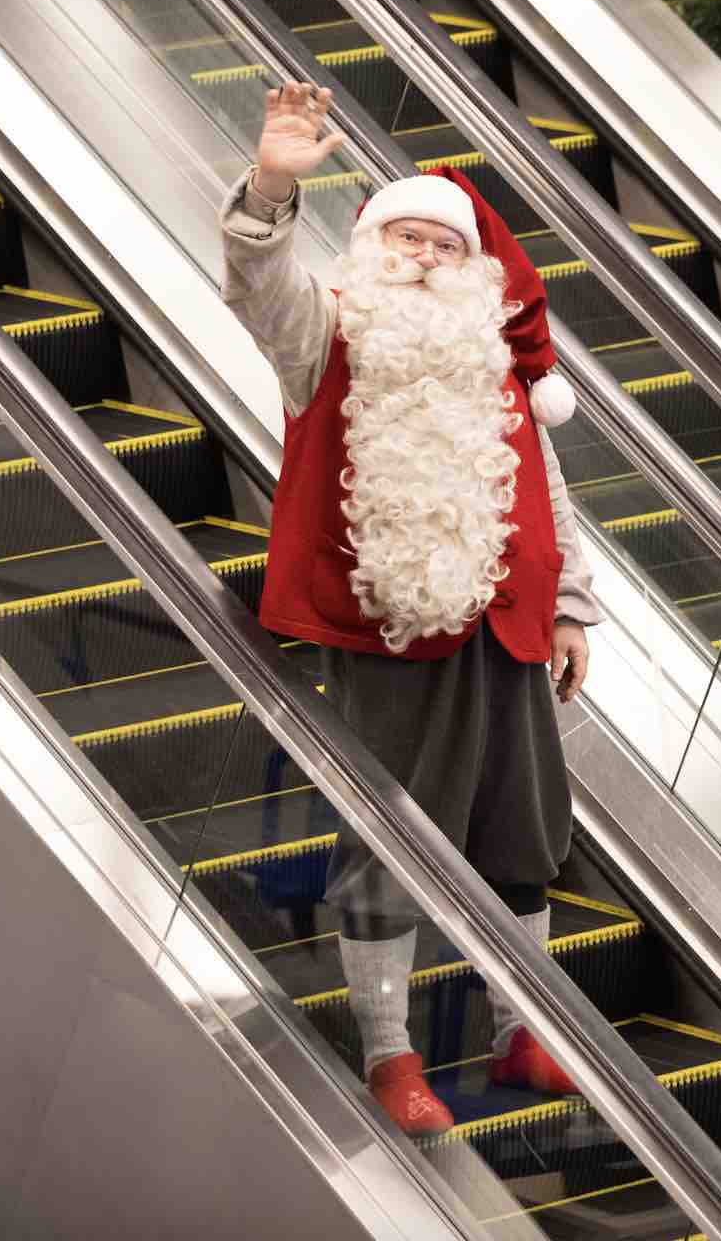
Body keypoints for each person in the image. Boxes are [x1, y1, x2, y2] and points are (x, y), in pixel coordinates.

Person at [220, 81, 603, 1137]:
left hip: (506, 625)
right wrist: (270, 183)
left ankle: (520, 1029)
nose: (426, 258)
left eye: (444, 245)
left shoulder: (492, 359)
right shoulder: (323, 337)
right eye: (406, 239)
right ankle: (390, 1053)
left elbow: (545, 490)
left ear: (472, 269)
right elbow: (257, 283)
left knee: (520, 832)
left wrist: (569, 606)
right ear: (370, 249)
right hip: (383, 634)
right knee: (394, 840)